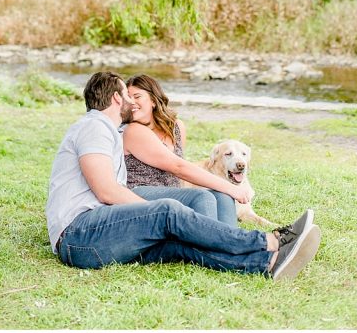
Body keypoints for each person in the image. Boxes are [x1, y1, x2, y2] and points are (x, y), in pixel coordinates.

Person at [46, 71, 320, 280]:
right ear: (117, 98)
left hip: (94, 239)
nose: (132, 101)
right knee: (168, 211)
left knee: (179, 245)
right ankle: (270, 241)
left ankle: (267, 264)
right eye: (128, 96)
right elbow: (107, 191)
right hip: (79, 235)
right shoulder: (95, 126)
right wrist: (154, 213)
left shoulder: (110, 131)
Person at [123, 73, 246, 226]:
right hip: (141, 193)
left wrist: (226, 190)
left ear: (153, 100)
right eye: (128, 97)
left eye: (137, 96)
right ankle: (213, 245)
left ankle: (230, 246)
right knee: (202, 196)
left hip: (174, 194)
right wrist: (230, 186)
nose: (131, 102)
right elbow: (178, 167)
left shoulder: (176, 127)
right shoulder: (133, 131)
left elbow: (180, 167)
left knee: (223, 196)